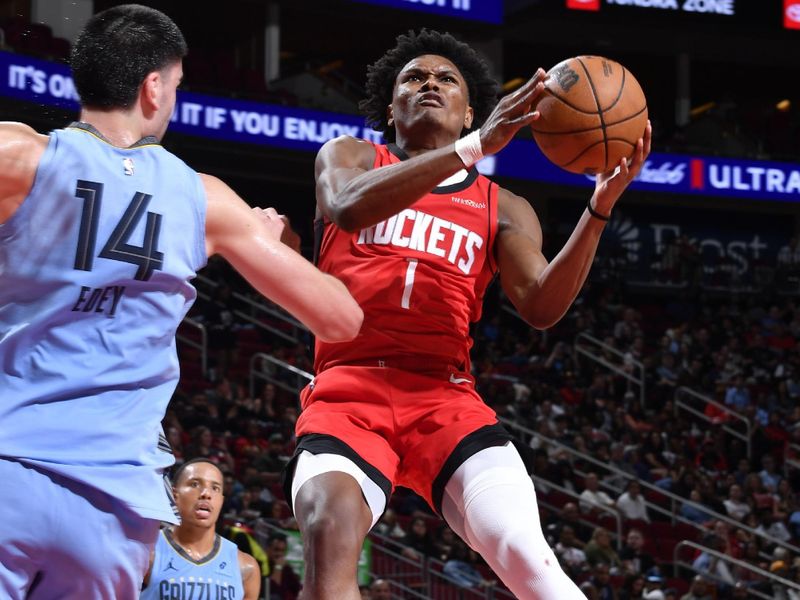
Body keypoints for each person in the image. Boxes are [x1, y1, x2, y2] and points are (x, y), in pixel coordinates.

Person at [0, 5, 362, 599]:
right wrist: (268, 247)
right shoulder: (207, 200)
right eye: (174, 86)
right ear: (152, 87)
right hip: (112, 506)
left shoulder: (18, 156)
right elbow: (342, 319)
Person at [284, 28, 650, 600]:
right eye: (414, 77)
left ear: (469, 110)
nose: (430, 83)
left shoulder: (504, 205)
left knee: (524, 552)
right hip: (347, 390)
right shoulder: (350, 156)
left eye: (446, 79)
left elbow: (541, 307)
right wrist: (475, 146)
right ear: (390, 107)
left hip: (444, 396)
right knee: (330, 535)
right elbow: (349, 209)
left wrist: (598, 207)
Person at [140, 459, 260, 599]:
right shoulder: (145, 554)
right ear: (174, 496)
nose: (206, 494)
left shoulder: (246, 567)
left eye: (215, 488)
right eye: (195, 484)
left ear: (221, 501)